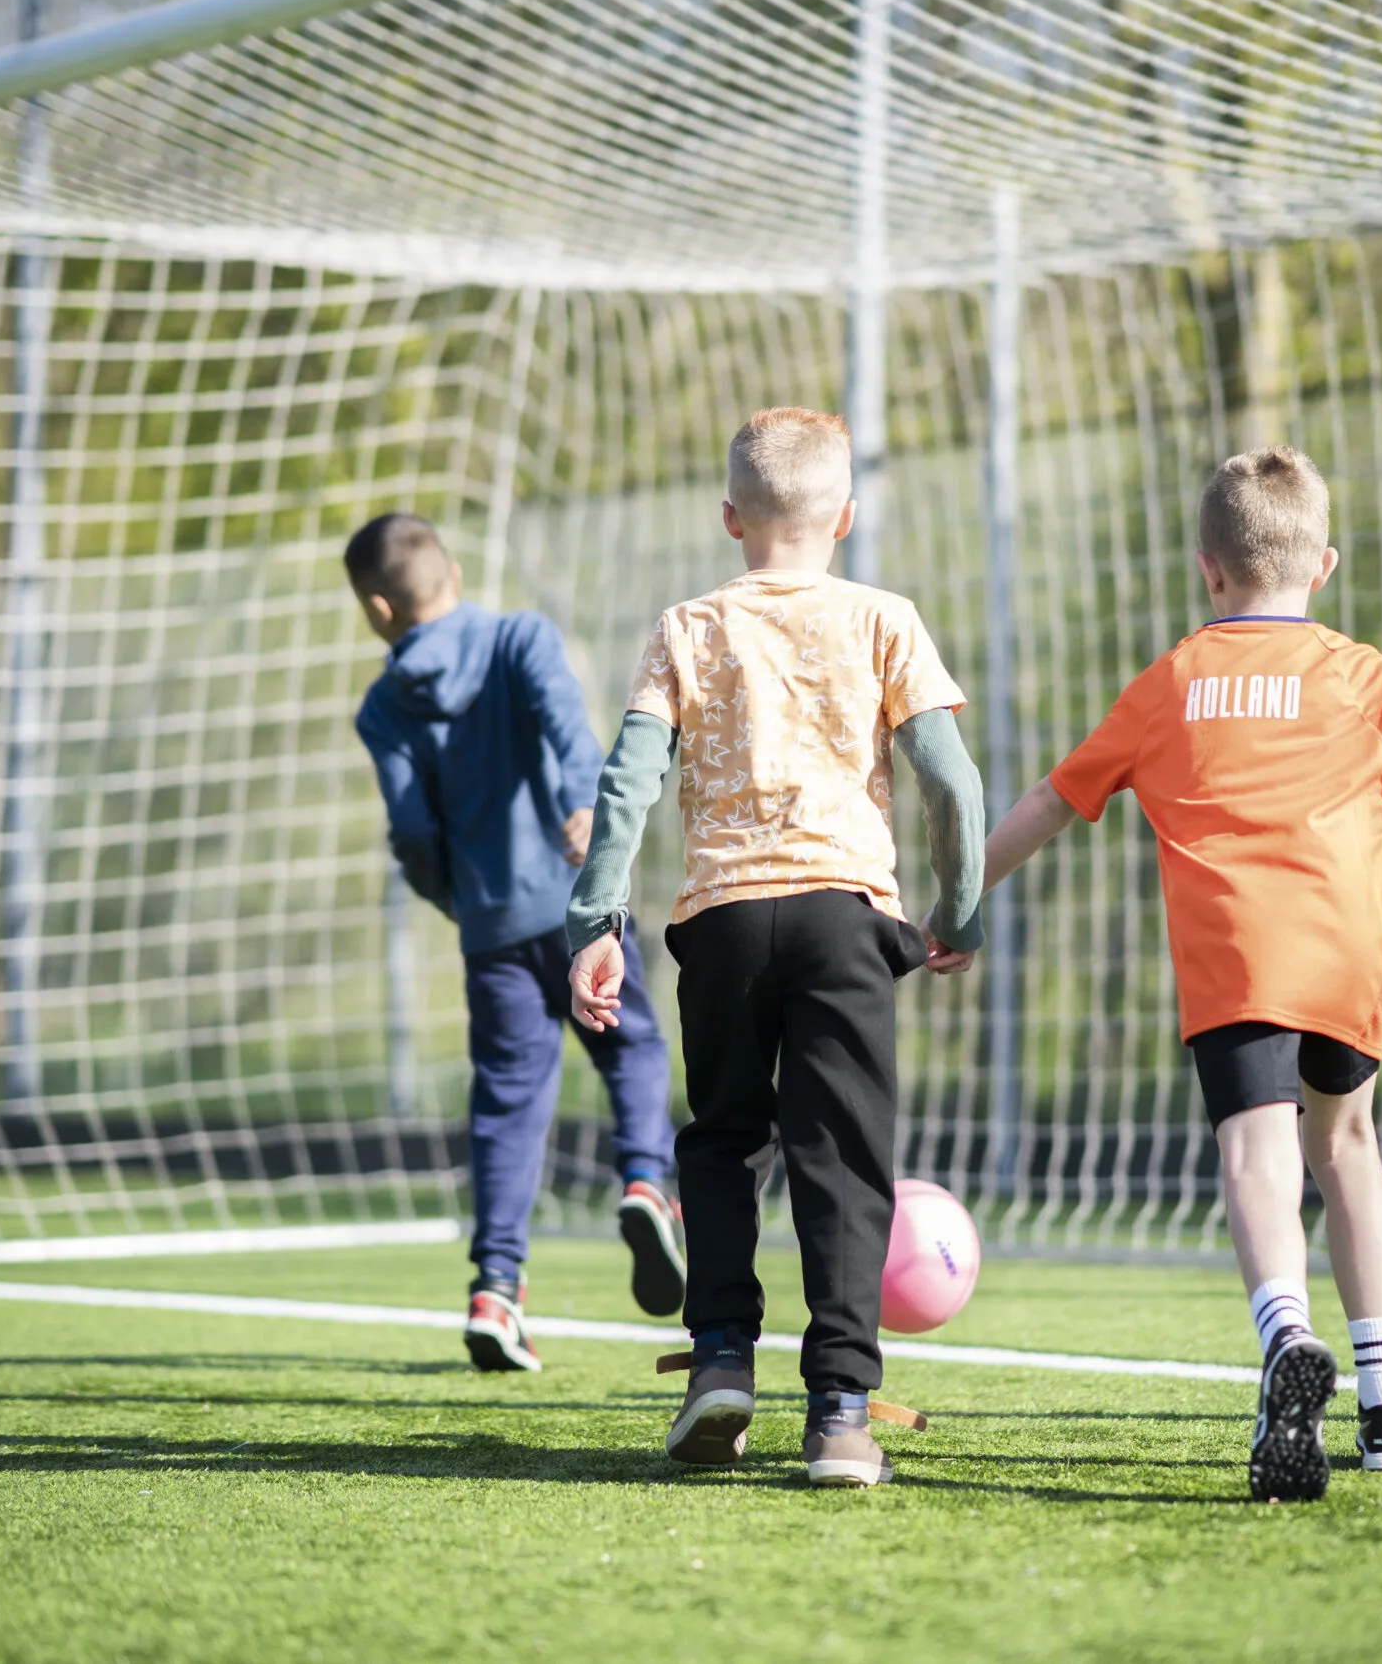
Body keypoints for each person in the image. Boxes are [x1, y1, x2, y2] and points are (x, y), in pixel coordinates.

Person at [978, 446, 1382, 1502]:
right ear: (1323, 567)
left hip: (1235, 953)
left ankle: (1283, 1340)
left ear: (1206, 569)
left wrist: (950, 905)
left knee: (1255, 1153)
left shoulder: (1172, 680)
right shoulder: (1363, 675)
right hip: (1346, 952)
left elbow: (1049, 801)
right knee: (1347, 1146)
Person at [564, 408, 985, 1489]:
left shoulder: (685, 627)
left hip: (723, 921)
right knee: (839, 1160)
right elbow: (952, 780)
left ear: (728, 518)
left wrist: (594, 921)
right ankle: (840, 1414)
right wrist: (957, 909)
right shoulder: (885, 617)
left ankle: (720, 1367)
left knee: (720, 1142)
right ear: (843, 517)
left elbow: (626, 784)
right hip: (846, 915)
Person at [347, 512, 684, 1375]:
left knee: (506, 1101)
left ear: (380, 609)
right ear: (453, 573)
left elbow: (413, 827)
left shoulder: (383, 707)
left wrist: (452, 898)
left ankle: (496, 1291)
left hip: (491, 927)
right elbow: (566, 723)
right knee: (633, 1044)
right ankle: (646, 1182)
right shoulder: (519, 637)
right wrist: (583, 810)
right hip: (578, 901)